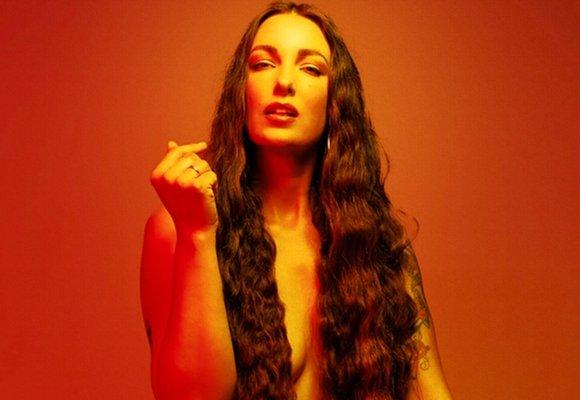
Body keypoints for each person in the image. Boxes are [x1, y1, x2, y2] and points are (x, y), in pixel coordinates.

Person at [140, 1, 453, 399]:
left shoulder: (381, 247)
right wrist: (198, 234)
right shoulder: (177, 227)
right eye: (263, 64)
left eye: (310, 68)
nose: (284, 81)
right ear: (241, 92)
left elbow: (432, 392)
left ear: (336, 101)